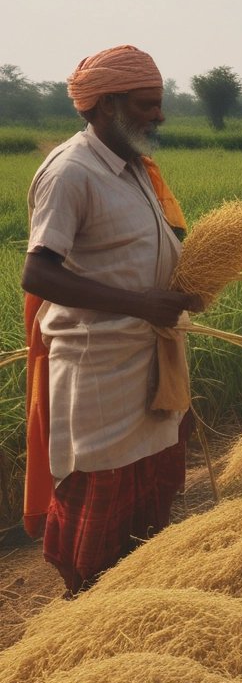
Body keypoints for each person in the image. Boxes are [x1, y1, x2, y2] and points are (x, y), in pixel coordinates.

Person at [20, 44, 202, 597]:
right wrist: (141, 305)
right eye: (147, 105)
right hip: (100, 371)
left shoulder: (136, 168)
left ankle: (138, 605)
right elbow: (38, 273)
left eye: (159, 103)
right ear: (103, 105)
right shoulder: (71, 172)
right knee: (97, 515)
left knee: (152, 505)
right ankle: (87, 617)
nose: (159, 115)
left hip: (150, 359)